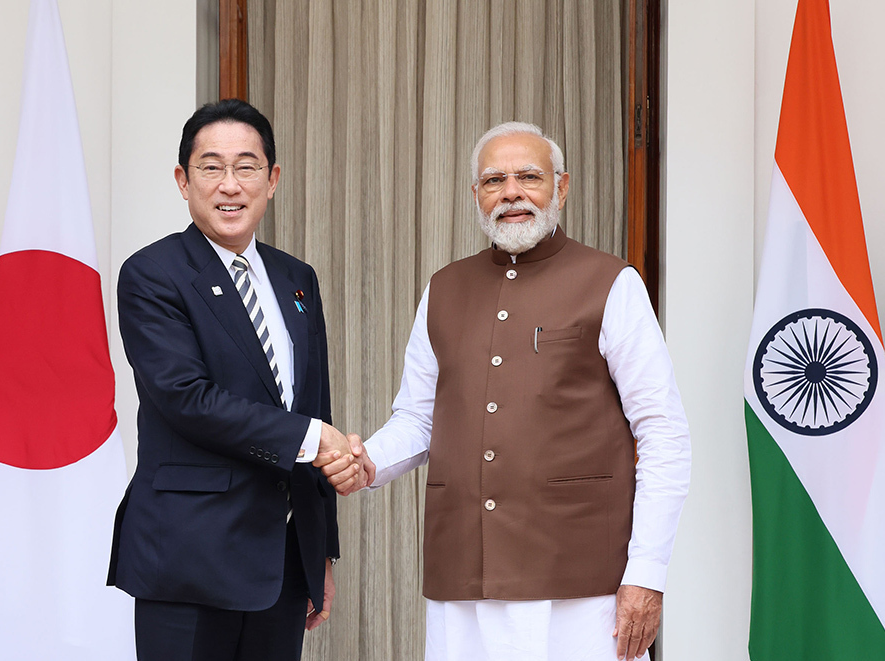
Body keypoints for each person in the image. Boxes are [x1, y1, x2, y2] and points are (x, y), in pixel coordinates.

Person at [322, 121, 691, 661]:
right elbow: (419, 419)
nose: (511, 192)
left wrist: (647, 573)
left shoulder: (612, 282)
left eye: (528, 177)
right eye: (494, 180)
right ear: (476, 196)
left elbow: (663, 433)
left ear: (560, 188)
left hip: (579, 577)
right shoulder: (444, 288)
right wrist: (366, 463)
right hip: (464, 575)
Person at [107, 99, 358, 661]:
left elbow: (314, 403)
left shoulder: (298, 278)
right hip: (190, 560)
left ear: (271, 180)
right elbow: (186, 398)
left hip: (284, 560)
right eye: (210, 166)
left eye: (246, 167)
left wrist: (321, 552)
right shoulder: (153, 274)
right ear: (183, 180)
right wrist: (319, 441)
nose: (229, 184)